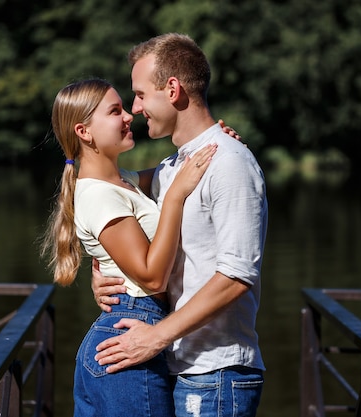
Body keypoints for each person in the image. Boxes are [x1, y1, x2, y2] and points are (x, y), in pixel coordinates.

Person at [92, 33, 269, 417]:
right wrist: (100, 267)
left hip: (217, 374)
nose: (136, 108)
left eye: (140, 95)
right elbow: (104, 191)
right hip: (182, 368)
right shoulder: (173, 168)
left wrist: (154, 338)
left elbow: (237, 277)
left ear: (172, 89)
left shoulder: (230, 163)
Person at [41, 78, 218, 417]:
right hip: (129, 338)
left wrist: (214, 140)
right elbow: (152, 278)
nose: (128, 116)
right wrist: (176, 198)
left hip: (126, 333)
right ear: (84, 131)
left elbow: (177, 169)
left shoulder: (125, 183)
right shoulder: (100, 195)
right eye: (114, 111)